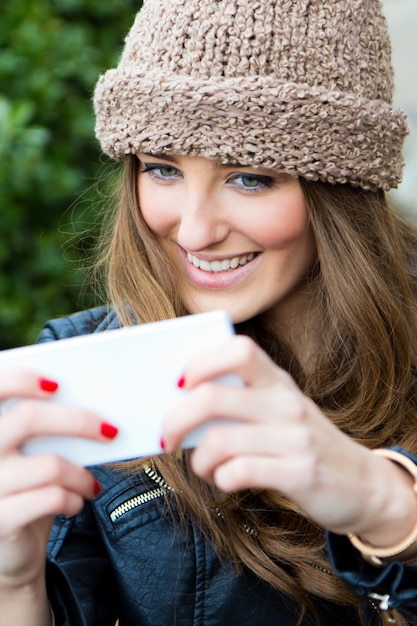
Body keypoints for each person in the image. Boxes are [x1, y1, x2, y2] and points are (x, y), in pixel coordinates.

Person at [1, 0, 417, 624]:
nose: (194, 232)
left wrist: (388, 508)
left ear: (341, 191)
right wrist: (14, 586)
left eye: (249, 177)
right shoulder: (81, 376)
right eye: (162, 169)